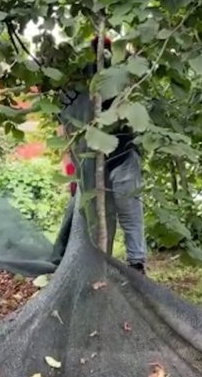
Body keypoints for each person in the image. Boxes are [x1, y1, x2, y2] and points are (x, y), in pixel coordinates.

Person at [57, 36, 147, 273]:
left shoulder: (115, 76)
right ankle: (95, 265)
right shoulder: (73, 86)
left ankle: (135, 264)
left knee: (127, 210)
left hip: (120, 155)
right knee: (91, 216)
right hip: (91, 162)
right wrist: (70, 167)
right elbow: (64, 128)